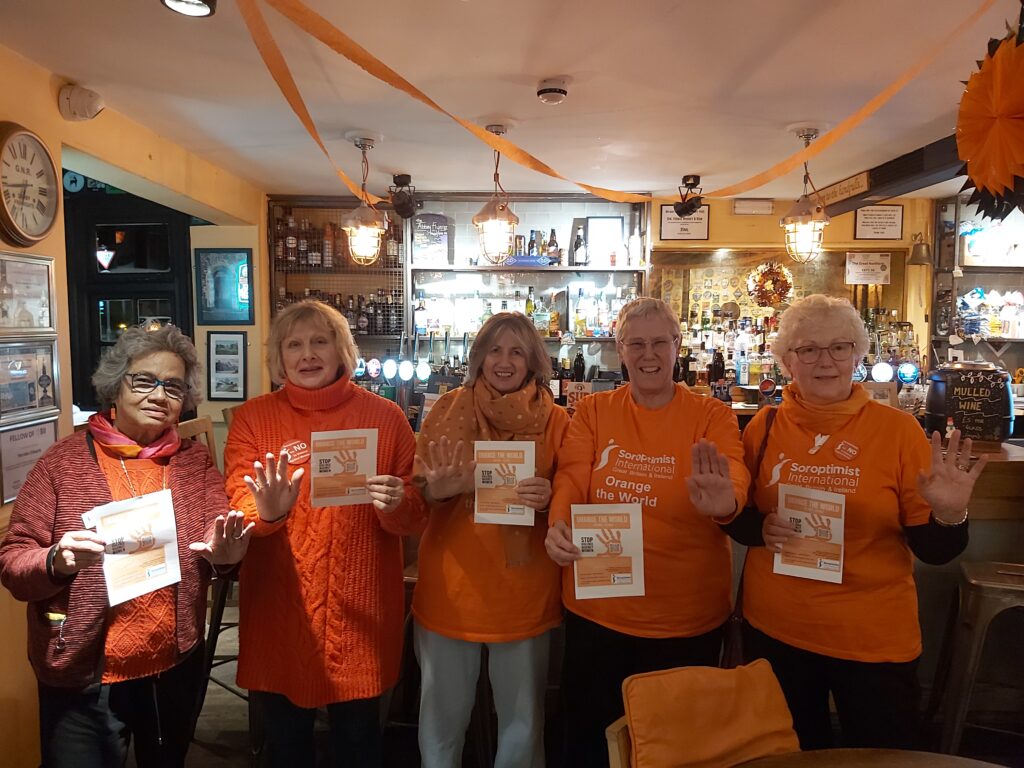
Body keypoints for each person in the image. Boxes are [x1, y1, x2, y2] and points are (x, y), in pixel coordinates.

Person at [733, 294, 986, 750]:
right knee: (788, 755)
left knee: (882, 755)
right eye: (808, 349)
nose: (825, 361)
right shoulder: (764, 426)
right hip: (776, 629)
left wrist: (950, 514)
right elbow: (739, 517)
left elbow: (934, 551)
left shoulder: (898, 431)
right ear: (787, 361)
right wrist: (760, 528)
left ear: (857, 355)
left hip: (871, 637)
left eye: (839, 347)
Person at [0, 324, 251, 768]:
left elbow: (217, 541)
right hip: (83, 675)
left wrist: (229, 558)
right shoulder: (62, 463)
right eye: (144, 380)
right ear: (116, 385)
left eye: (173, 386)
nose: (159, 395)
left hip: (172, 666)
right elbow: (13, 560)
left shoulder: (193, 462)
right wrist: (56, 560)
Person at [544, 297, 750, 767]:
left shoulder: (711, 415)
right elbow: (572, 474)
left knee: (675, 749)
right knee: (589, 742)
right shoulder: (594, 410)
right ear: (620, 349)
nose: (649, 354)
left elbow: (732, 470)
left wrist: (727, 502)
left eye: (660, 342)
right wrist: (559, 520)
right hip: (598, 607)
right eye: (636, 344)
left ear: (677, 345)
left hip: (684, 616)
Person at [224, 299, 427, 767]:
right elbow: (239, 500)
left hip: (360, 612)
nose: (308, 354)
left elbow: (416, 514)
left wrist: (398, 503)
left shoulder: (386, 418)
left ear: (342, 351)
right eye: (294, 345)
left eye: (320, 341)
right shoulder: (253, 418)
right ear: (278, 357)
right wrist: (266, 513)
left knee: (359, 744)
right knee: (285, 747)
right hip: (280, 610)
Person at [413, 312, 570, 768]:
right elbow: (416, 495)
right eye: (495, 350)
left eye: (517, 351)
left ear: (533, 361)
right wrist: (438, 490)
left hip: (523, 594)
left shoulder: (557, 420)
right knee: (440, 724)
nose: (504, 361)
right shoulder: (446, 409)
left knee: (522, 725)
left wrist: (549, 497)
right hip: (452, 590)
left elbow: (573, 490)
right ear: (478, 357)